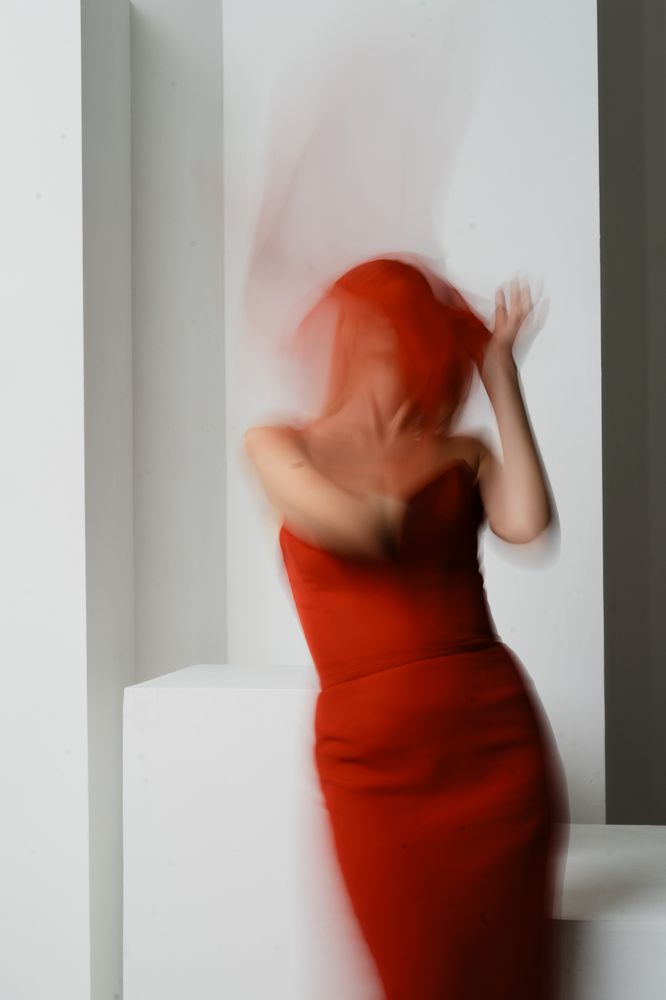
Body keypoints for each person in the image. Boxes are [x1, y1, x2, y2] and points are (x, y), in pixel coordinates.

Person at [244, 257, 569, 999]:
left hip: (494, 747)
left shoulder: (463, 451)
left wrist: (500, 375)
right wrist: (397, 462)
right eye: (378, 332)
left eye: (412, 334)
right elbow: (363, 530)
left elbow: (529, 523)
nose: (396, 351)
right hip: (375, 768)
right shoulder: (278, 444)